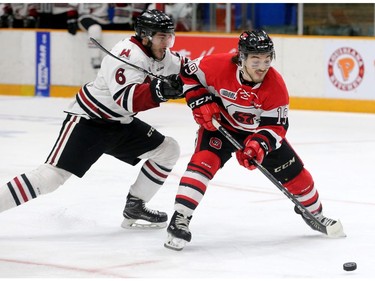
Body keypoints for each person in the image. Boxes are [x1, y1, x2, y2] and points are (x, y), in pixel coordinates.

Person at [0, 9, 187, 229]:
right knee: (51, 178)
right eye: (161, 37)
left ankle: (136, 205)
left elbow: (192, 71)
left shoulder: (162, 55)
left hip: (121, 124)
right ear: (145, 36)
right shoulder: (128, 54)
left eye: (169, 36)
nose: (166, 42)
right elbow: (126, 100)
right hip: (90, 121)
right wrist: (160, 91)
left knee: (168, 150)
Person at [164, 29, 345, 250]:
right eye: (256, 60)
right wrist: (198, 99)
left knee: (298, 177)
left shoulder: (275, 86)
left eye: (267, 59)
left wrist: (258, 145)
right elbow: (188, 74)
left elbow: (276, 126)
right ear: (242, 57)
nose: (262, 66)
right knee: (203, 163)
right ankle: (180, 217)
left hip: (256, 133)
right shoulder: (217, 65)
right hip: (220, 127)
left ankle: (315, 214)